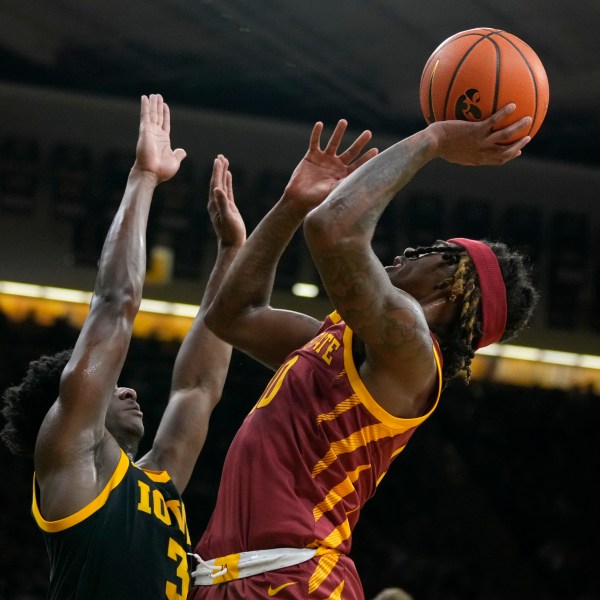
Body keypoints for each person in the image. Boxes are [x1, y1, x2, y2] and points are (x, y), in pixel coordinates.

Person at [188, 105, 539, 599]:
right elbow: (233, 317)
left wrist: (434, 138)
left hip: (295, 582)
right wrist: (292, 204)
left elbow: (334, 228)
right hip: (232, 577)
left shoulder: (413, 351)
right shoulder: (347, 341)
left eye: (427, 251)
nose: (404, 253)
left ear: (453, 283)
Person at [0, 94, 246, 599]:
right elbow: (115, 305)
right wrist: (143, 178)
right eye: (112, 386)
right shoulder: (70, 464)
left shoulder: (158, 480)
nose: (129, 389)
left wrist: (230, 255)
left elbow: (199, 386)